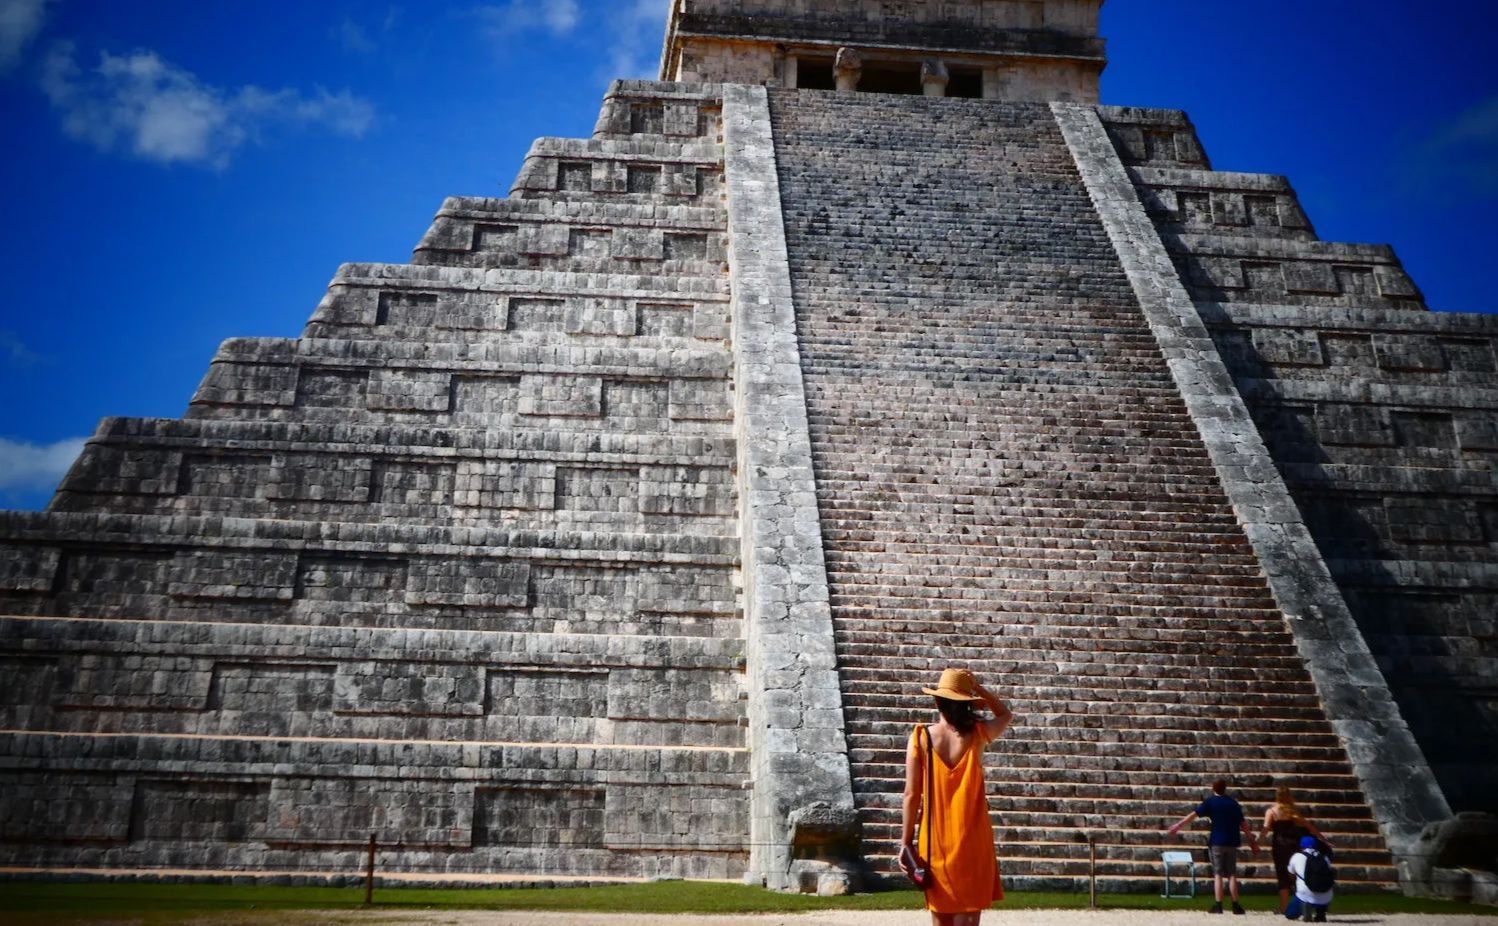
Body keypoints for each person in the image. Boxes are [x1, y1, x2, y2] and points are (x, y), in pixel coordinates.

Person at [899, 667, 1014, 926]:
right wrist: (981, 691)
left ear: (937, 700)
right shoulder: (979, 733)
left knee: (941, 919)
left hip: (936, 840)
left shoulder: (922, 736)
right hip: (973, 838)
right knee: (969, 917)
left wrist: (906, 843)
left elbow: (911, 794)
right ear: (968, 703)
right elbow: (1006, 715)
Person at [1166, 779, 1260, 915]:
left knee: (1218, 874)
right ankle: (1235, 905)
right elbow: (1243, 824)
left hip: (1217, 841)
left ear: (1213, 788)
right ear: (1225, 788)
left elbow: (1194, 815)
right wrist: (1252, 842)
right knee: (1232, 874)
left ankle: (1218, 905)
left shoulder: (1211, 802)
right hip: (1232, 841)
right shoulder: (1233, 803)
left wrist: (1178, 825)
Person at [1260, 785, 1332, 914]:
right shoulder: (1292, 811)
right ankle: (1303, 902)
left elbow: (1265, 828)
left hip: (1279, 846)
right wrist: (1323, 839)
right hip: (1294, 846)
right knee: (1297, 874)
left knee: (1282, 876)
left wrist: (1258, 842)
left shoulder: (1271, 811)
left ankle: (1283, 906)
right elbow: (1309, 826)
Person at [1286, 835, 1334, 922]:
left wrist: (1294, 886)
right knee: (1321, 895)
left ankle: (1306, 907)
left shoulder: (1296, 856)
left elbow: (1291, 874)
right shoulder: (1325, 858)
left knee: (1290, 914)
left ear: (1301, 846)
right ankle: (1321, 914)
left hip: (1304, 895)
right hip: (1326, 895)